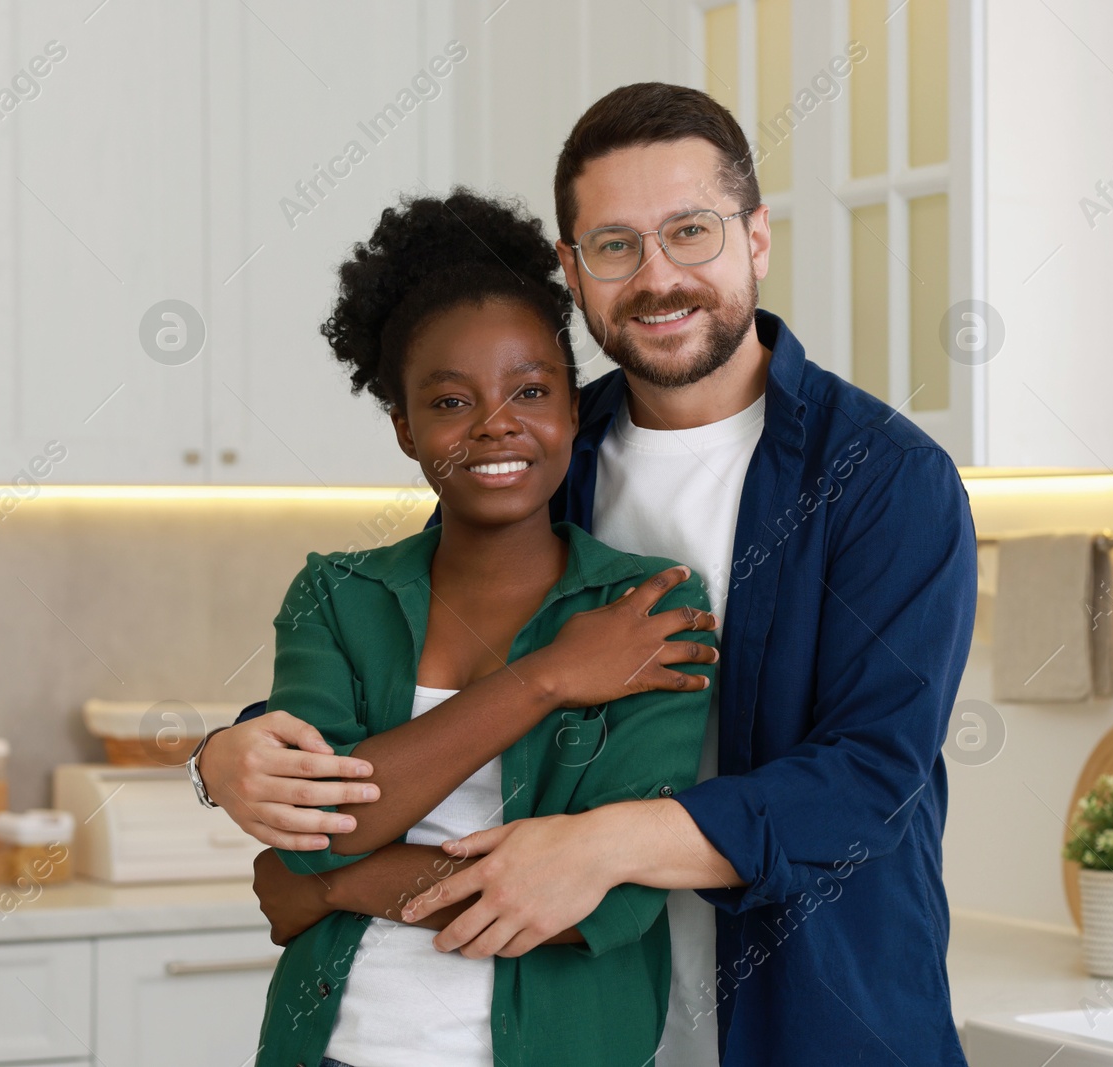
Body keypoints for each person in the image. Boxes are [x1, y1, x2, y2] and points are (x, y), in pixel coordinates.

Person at [197, 82, 978, 1065]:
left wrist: (596, 846)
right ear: (573, 268)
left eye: (690, 231)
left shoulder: (883, 477)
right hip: (594, 1019)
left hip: (815, 1017)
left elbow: (864, 777)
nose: (657, 277)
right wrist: (225, 750)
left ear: (756, 239)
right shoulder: (543, 442)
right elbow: (416, 663)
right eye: (615, 246)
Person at [242, 189, 719, 1067]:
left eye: (530, 390)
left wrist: (341, 885)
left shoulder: (650, 614)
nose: (496, 422)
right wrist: (545, 679)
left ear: (575, 410)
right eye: (451, 401)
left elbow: (592, 907)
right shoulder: (335, 596)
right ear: (405, 428)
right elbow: (328, 822)